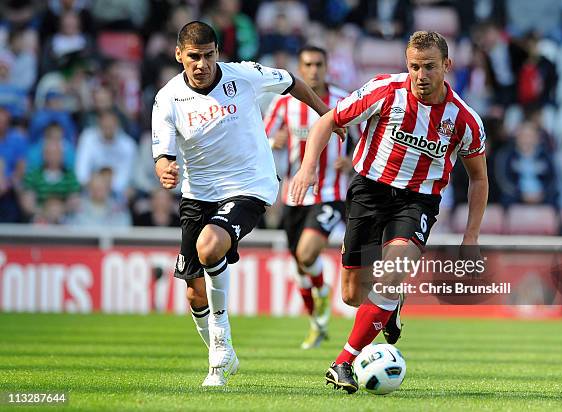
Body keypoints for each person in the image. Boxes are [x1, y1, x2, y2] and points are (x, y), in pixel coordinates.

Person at [290, 31, 488, 393]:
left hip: (417, 202)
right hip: (369, 192)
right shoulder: (383, 90)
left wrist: (471, 236)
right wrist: (308, 169)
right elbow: (326, 122)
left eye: (429, 66)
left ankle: (343, 362)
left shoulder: (464, 119)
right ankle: (391, 305)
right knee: (352, 294)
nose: (421, 75)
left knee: (393, 271)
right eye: (414, 66)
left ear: (447, 65)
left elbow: (478, 178)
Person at [153, 21, 340, 387]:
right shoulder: (167, 98)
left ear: (218, 53)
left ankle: (220, 347)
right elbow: (162, 154)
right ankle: (223, 358)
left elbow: (292, 82)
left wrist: (324, 113)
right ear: (179, 56)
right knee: (193, 292)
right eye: (194, 57)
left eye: (208, 55)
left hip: (250, 186)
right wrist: (165, 169)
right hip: (197, 195)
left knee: (210, 247)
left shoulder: (245, 75)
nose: (202, 64)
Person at [264, 45, 353, 349]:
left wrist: (353, 160)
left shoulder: (344, 100)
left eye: (319, 64)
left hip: (330, 192)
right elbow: (260, 140)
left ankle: (324, 295)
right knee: (301, 268)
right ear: (300, 70)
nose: (314, 70)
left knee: (306, 254)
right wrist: (272, 142)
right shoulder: (284, 104)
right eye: (308, 65)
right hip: (293, 194)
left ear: (327, 67)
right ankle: (317, 322)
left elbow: (368, 136)